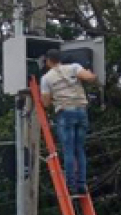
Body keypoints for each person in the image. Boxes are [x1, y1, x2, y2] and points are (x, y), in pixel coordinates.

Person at [40, 48, 97, 194]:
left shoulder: (46, 78)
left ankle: (71, 185)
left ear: (48, 61)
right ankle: (82, 184)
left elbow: (45, 103)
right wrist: (91, 73)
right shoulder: (74, 67)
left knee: (69, 150)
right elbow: (89, 77)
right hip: (81, 110)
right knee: (79, 149)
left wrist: (54, 97)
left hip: (65, 112)